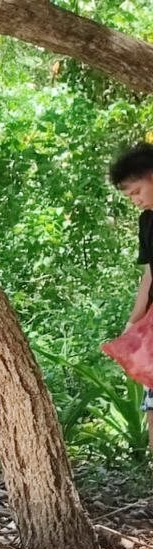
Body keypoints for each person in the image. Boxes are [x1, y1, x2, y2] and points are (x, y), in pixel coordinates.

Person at [110, 143, 153, 451]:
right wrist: (133, 322)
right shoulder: (147, 220)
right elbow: (150, 273)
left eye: (137, 192)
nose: (136, 201)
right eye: (130, 197)